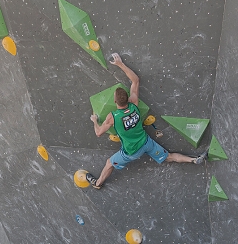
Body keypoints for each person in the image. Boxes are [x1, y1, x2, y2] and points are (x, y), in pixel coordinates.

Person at [86, 53, 208, 189]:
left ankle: (97, 184)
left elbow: (98, 133)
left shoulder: (112, 117)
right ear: (127, 98)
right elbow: (135, 80)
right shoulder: (134, 103)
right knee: (169, 157)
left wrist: (95, 121)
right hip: (146, 142)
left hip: (130, 152)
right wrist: (120, 64)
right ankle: (194, 159)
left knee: (109, 163)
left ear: (115, 101)